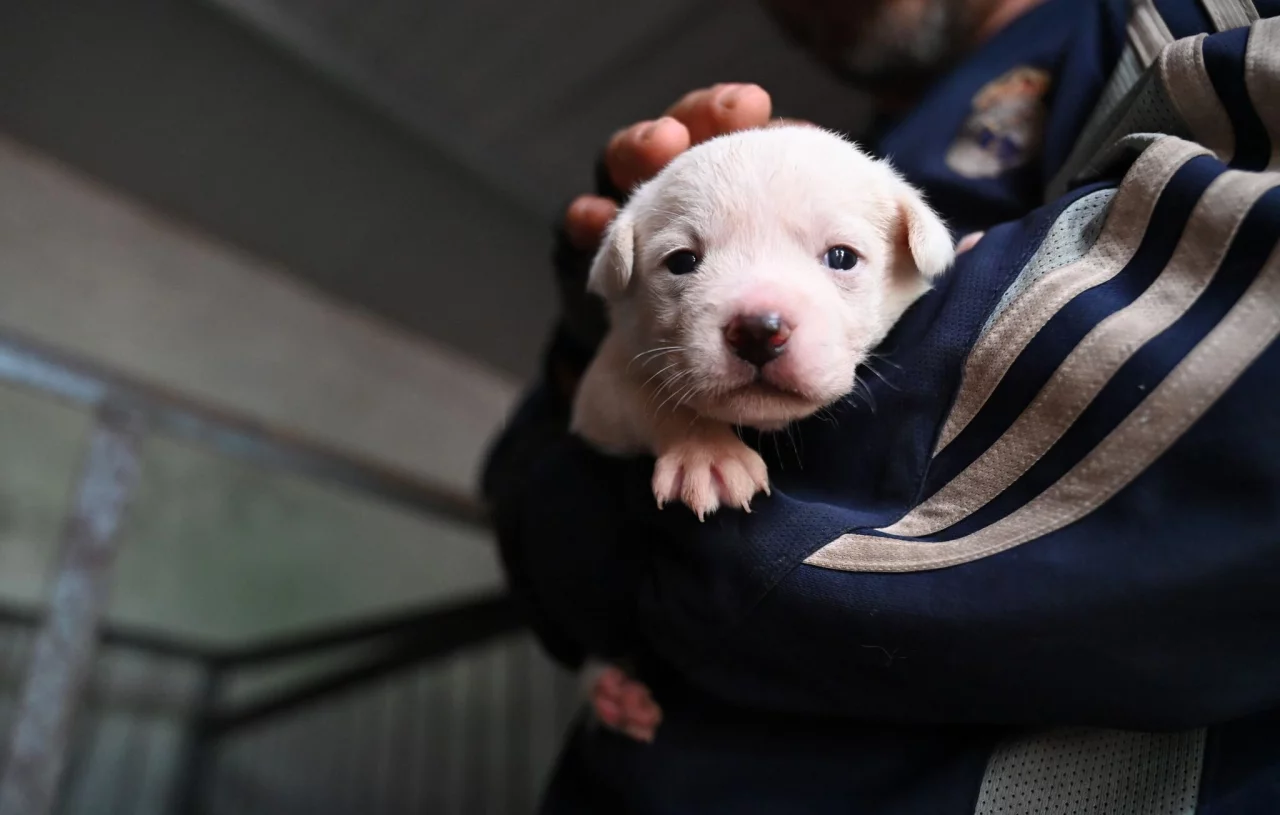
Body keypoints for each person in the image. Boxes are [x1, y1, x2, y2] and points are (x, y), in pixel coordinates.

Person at [482, 0, 1280, 811]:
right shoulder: (830, 160)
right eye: (684, 260)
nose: (758, 318)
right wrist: (596, 334)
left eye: (838, 256)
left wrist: (619, 520)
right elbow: (524, 502)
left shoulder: (1171, 27)